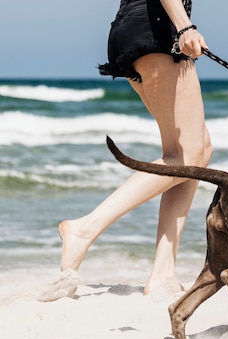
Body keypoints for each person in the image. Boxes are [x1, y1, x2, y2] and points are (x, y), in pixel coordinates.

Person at [58, 0, 213, 296]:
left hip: (136, 28)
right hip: (156, 29)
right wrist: (185, 26)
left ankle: (163, 274)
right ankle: (84, 228)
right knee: (187, 155)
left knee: (196, 150)